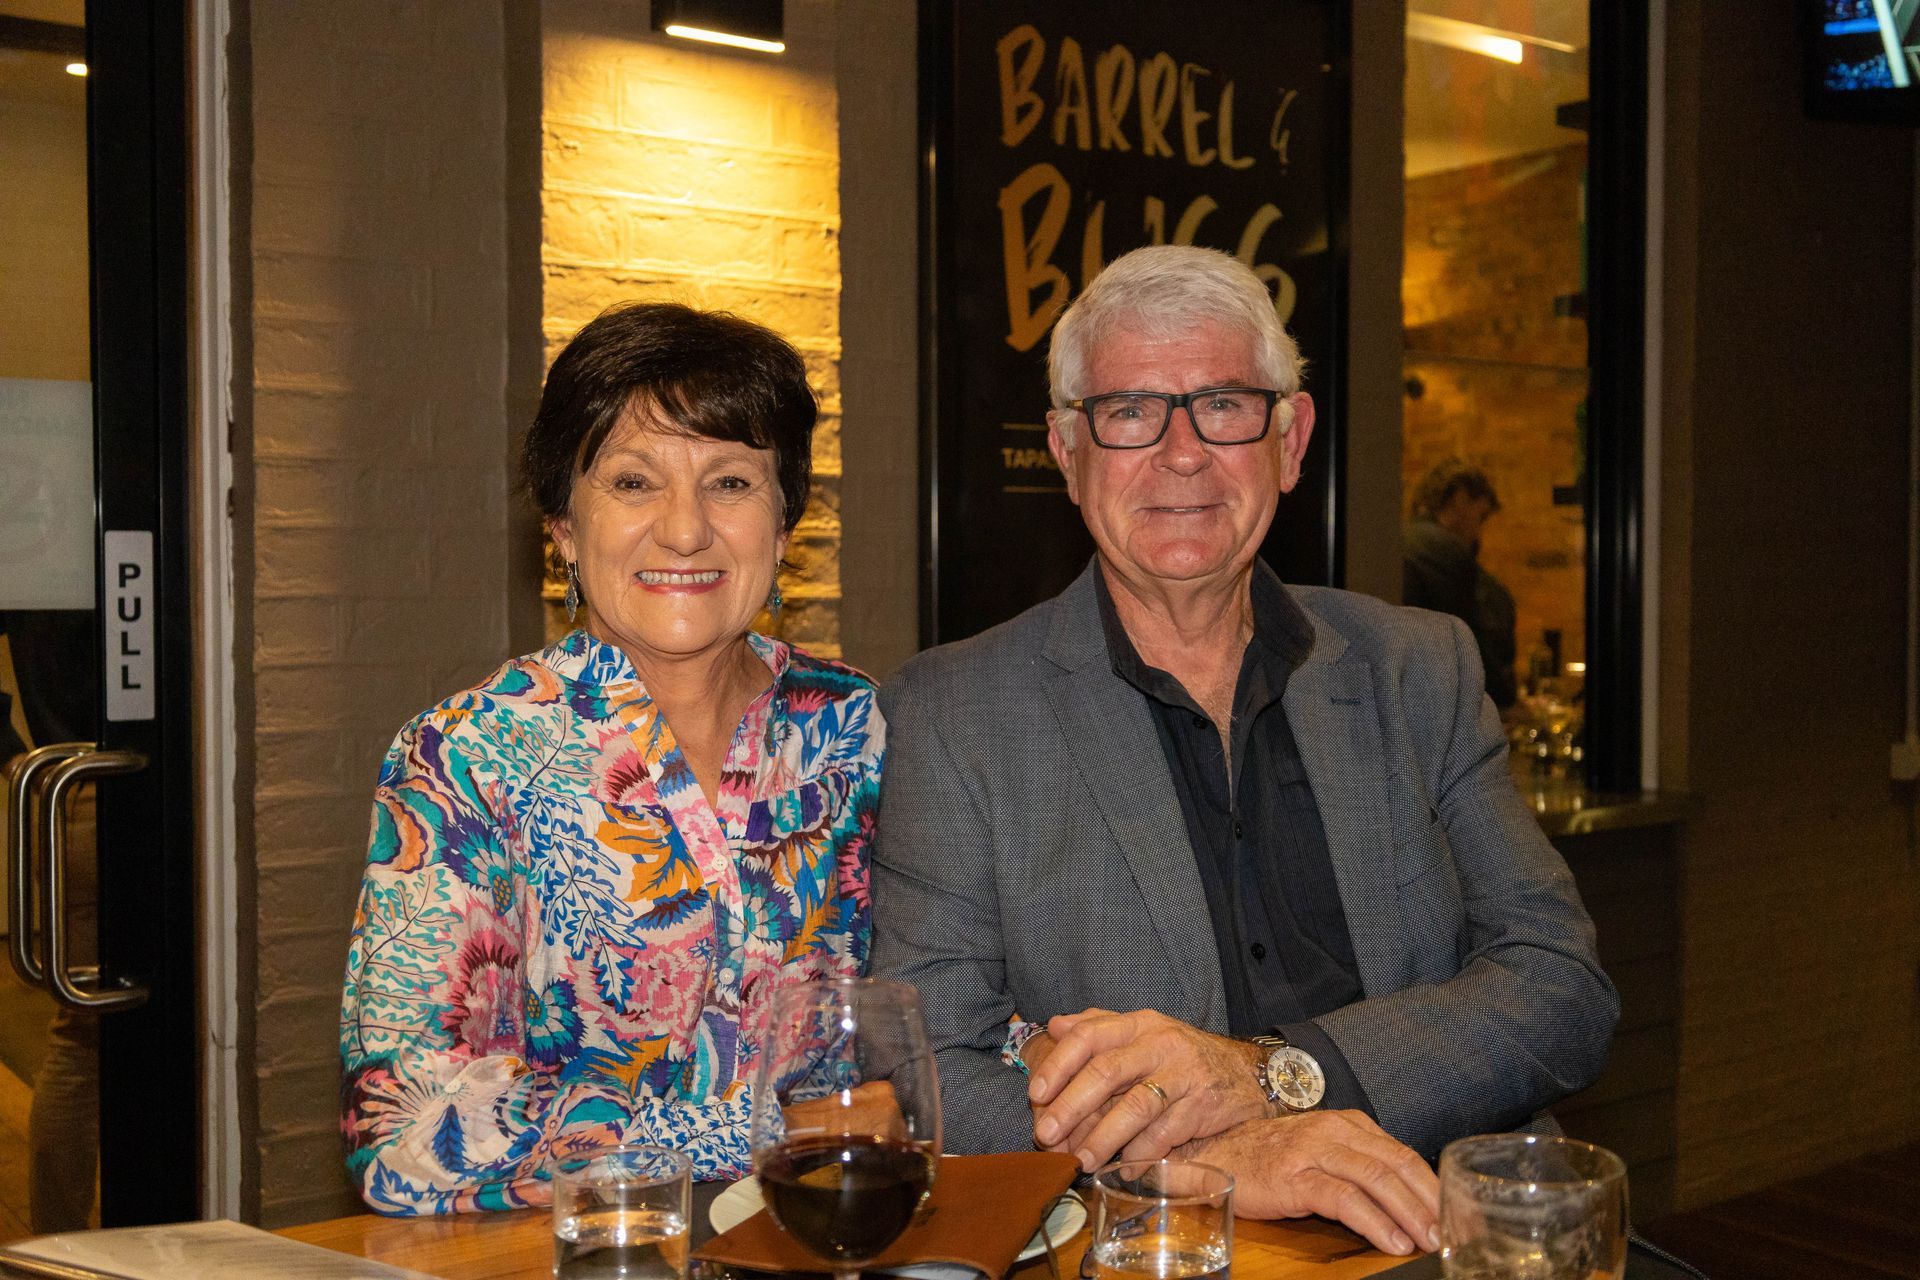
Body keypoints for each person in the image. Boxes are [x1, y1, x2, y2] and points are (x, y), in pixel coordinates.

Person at [870, 246, 1616, 1257]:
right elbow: (934, 1080)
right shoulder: (954, 712)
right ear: (1066, 451)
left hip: (1447, 1234)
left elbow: (1562, 985)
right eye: (1130, 410)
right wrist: (1200, 1169)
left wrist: (1275, 1073)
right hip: (1170, 1249)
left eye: (1224, 403)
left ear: (1290, 440)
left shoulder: (1417, 668)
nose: (1182, 454)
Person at [339, 302, 886, 1215]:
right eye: (633, 482)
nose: (683, 531)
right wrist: (769, 1132)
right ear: (562, 528)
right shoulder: (464, 756)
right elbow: (401, 1130)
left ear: (786, 524)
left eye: (732, 483)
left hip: (833, 1244)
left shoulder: (858, 727)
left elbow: (949, 1000)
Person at [1402, 459, 1518, 710]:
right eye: (1481, 517)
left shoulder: (1403, 539)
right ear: (1460, 498)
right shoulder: (1445, 550)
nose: (1478, 534)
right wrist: (1506, 697)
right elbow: (1469, 643)